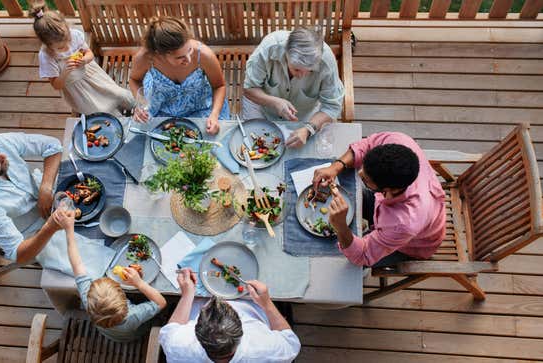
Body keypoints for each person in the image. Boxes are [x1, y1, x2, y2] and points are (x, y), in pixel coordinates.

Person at [0, 133, 114, 277]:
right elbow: (18, 254)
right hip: (34, 230)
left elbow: (52, 145)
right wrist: (50, 227)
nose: (3, 157)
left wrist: (46, 187)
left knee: (104, 186)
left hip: (47, 190)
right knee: (95, 262)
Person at [312, 132, 446, 267]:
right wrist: (336, 166)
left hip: (412, 244)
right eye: (364, 165)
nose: (359, 173)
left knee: (348, 264)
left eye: (365, 180)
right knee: (353, 197)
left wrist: (340, 225)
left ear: (389, 190)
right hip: (397, 210)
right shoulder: (399, 140)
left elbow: (362, 256)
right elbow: (367, 144)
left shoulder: (403, 224)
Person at [54, 209, 167, 341]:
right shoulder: (132, 316)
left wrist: (69, 230)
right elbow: (161, 302)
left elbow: (76, 263)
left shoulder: (87, 298)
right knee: (157, 318)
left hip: (107, 333)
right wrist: (139, 283)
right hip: (131, 335)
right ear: (124, 300)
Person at [159, 268, 300, 362]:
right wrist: (267, 303)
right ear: (241, 331)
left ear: (196, 333)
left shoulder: (177, 347)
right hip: (252, 300)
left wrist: (187, 295)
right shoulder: (266, 349)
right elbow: (291, 342)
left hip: (198, 295)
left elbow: (172, 328)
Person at [242, 27, 344, 148]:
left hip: (305, 118)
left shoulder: (326, 61)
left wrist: (308, 129)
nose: (301, 76)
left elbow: (332, 106)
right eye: (296, 69)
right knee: (255, 147)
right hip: (261, 108)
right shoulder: (268, 48)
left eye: (309, 71)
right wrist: (275, 102)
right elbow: (249, 89)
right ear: (286, 53)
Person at [129, 16, 229, 135]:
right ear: (159, 54)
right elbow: (134, 80)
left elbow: (219, 86)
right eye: (180, 57)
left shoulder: (203, 55)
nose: (188, 59)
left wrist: (214, 114)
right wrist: (141, 103)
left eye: (189, 50)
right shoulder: (145, 58)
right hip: (162, 110)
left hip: (202, 109)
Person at [31, 4, 134, 117]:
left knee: (118, 94)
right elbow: (56, 85)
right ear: (47, 44)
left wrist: (84, 60)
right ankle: (118, 121)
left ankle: (136, 106)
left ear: (67, 27)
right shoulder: (46, 56)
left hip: (92, 75)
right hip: (78, 90)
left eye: (68, 41)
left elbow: (89, 53)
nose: (66, 47)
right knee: (100, 109)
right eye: (60, 48)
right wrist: (65, 71)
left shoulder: (74, 35)